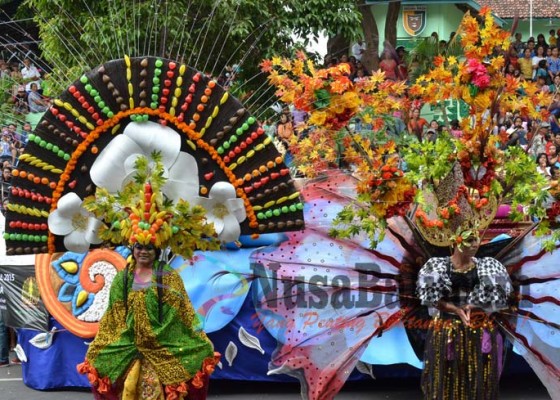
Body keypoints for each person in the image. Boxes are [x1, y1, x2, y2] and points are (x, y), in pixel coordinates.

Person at [78, 242, 219, 399]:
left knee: (200, 352)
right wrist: (128, 336)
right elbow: (114, 315)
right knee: (96, 355)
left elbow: (177, 313)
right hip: (128, 340)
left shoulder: (168, 277)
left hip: (163, 340)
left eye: (149, 248)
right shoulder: (122, 278)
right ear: (133, 249)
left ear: (157, 251)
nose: (143, 252)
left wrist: (151, 335)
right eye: (139, 247)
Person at [417, 234, 513, 399]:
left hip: (480, 330)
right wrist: (454, 309)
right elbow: (431, 299)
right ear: (455, 241)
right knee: (447, 378)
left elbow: (499, 297)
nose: (475, 244)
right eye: (470, 240)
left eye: (476, 239)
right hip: (446, 331)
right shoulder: (436, 265)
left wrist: (474, 306)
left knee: (479, 379)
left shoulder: (489, 265)